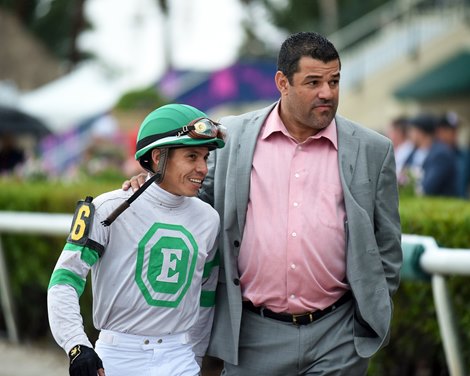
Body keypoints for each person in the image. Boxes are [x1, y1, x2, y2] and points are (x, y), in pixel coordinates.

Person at [125, 31, 402, 376]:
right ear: (282, 82)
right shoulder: (231, 137)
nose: (327, 93)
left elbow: (388, 244)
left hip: (339, 336)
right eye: (313, 82)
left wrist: (371, 313)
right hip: (252, 335)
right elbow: (190, 198)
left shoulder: (373, 150)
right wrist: (152, 185)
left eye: (334, 81)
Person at [48, 103, 226, 376]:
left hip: (181, 358)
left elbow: (206, 295)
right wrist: (77, 346)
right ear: (158, 157)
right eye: (192, 157)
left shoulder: (209, 219)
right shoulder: (107, 207)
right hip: (116, 357)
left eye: (205, 157)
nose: (203, 168)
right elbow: (64, 279)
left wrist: (197, 356)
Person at [405, 112, 459, 197]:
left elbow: (428, 188)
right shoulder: (413, 152)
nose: (409, 134)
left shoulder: (441, 154)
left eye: (412, 130)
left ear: (421, 132)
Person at [386, 115, 414, 183]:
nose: (388, 135)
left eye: (391, 131)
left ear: (398, 132)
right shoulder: (397, 149)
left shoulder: (408, 149)